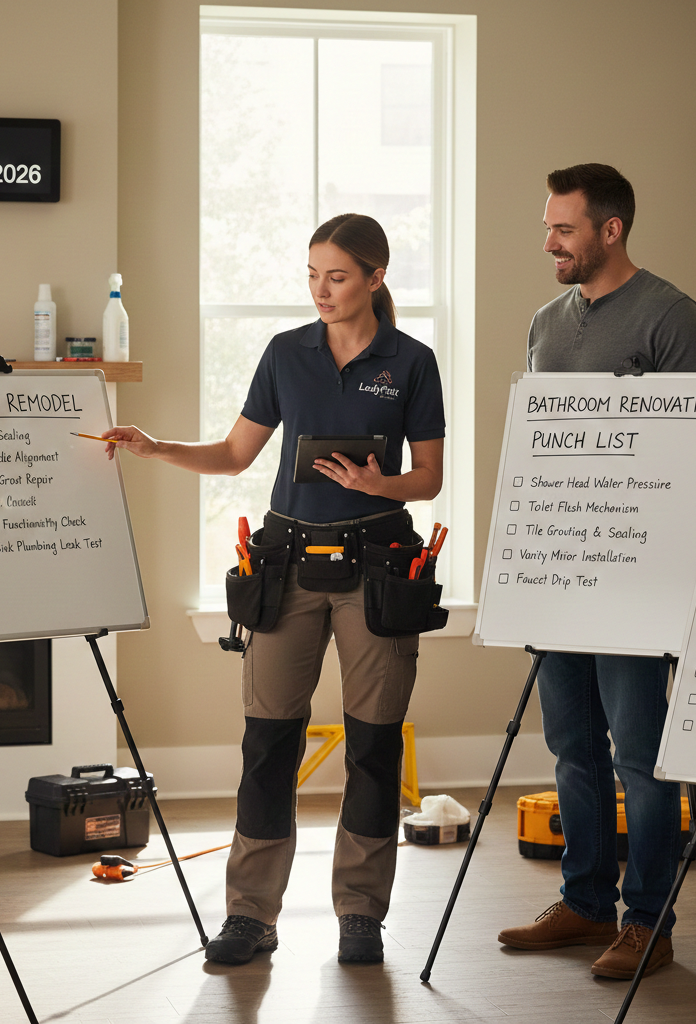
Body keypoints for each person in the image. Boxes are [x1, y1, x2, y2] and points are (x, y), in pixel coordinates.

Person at [103, 213, 445, 966]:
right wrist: (155, 447)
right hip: (287, 565)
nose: (322, 290)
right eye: (313, 275)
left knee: (374, 745)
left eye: (339, 276)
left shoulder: (411, 362)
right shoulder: (285, 354)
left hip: (378, 564)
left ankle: (361, 914)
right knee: (268, 743)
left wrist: (374, 482)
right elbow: (232, 454)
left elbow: (429, 477)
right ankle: (250, 917)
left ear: (376, 278)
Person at [497, 164, 696, 980]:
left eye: (563, 228)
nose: (549, 241)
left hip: (635, 580)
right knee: (571, 749)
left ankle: (648, 922)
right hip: (561, 572)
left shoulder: (671, 317)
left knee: (640, 754)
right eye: (549, 226)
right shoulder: (547, 323)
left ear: (610, 229)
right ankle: (587, 903)